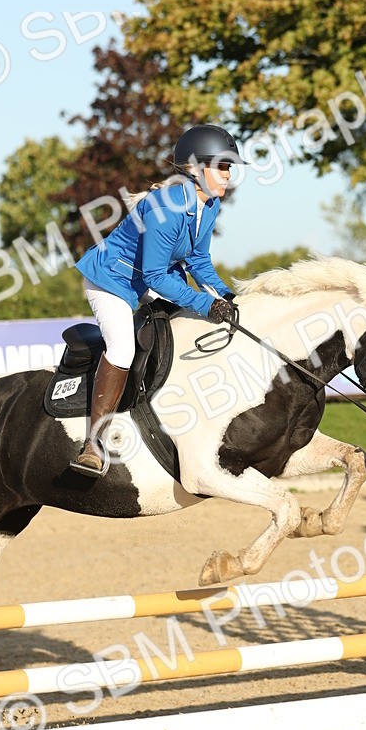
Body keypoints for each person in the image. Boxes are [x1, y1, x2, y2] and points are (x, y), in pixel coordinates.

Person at [72, 123, 248, 475]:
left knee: (185, 332)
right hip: (110, 281)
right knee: (122, 348)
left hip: (147, 281)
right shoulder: (166, 208)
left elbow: (197, 260)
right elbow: (155, 275)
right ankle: (92, 442)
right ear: (196, 169)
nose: (229, 175)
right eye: (223, 167)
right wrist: (205, 303)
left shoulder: (208, 204)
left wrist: (224, 294)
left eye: (230, 168)